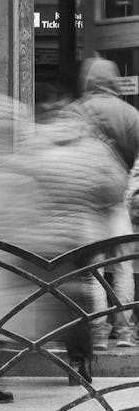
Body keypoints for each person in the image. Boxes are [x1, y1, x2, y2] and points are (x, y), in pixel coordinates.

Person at [72, 58, 139, 350]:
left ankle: (97, 331)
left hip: (87, 203)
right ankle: (123, 331)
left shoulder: (77, 111)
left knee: (94, 267)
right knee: (122, 265)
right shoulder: (131, 114)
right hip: (118, 201)